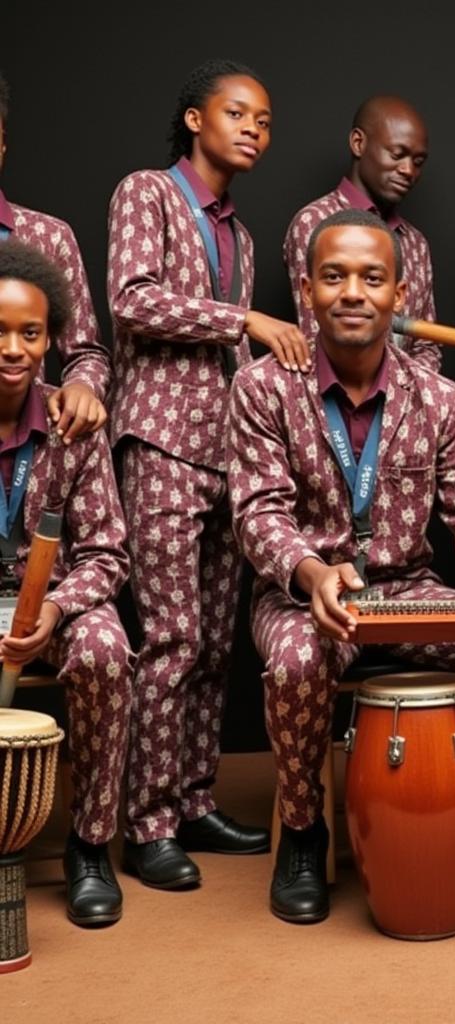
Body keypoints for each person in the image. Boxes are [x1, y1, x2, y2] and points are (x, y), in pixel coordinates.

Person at [228, 208, 455, 924]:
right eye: (334, 276)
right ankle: (301, 834)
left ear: (400, 295)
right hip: (304, 596)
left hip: (408, 594)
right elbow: (257, 517)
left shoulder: (440, 399)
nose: (352, 292)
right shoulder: (260, 389)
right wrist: (311, 573)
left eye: (371, 278)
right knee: (295, 661)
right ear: (306, 289)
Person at [108, 59, 309, 890]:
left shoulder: (243, 233)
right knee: (169, 640)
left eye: (264, 118)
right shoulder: (146, 193)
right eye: (238, 113)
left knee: (216, 648)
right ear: (195, 118)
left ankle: (193, 800)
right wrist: (246, 318)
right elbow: (131, 297)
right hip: (157, 443)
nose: (254, 129)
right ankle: (146, 823)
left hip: (225, 454)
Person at [0, 241, 133, 927]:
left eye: (30, 333)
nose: (14, 349)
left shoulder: (72, 425)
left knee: (106, 650)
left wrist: (56, 608)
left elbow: (108, 553)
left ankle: (88, 845)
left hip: (50, 607)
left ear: (52, 339)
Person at [283, 95, 440, 370]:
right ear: (358, 143)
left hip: (406, 405)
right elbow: (313, 337)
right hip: (331, 402)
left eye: (418, 161)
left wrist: (408, 396)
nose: (408, 170)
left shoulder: (416, 243)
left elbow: (428, 344)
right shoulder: (315, 222)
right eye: (397, 154)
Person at [0, 71, 109, 441]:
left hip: (29, 455)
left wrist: (83, 388)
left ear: (3, 145)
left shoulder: (50, 236)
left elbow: (87, 353)